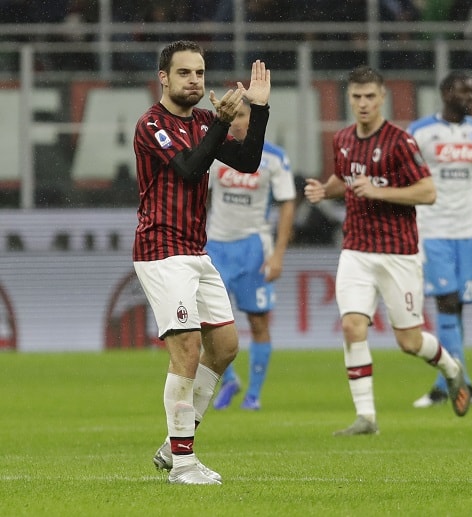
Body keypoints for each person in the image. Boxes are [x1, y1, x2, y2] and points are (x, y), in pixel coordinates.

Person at [304, 65, 472, 436]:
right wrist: (324, 190)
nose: (362, 104)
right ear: (350, 99)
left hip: (399, 254)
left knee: (409, 342)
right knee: (352, 326)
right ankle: (366, 417)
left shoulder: (400, 141)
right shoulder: (343, 138)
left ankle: (451, 369)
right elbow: (344, 180)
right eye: (356, 97)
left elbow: (427, 192)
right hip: (357, 251)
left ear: (382, 98)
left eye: (369, 97)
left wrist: (379, 191)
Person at [132, 40, 270, 485]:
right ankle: (184, 464)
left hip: (194, 250)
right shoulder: (152, 123)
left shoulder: (207, 122)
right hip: (161, 250)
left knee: (226, 347)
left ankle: (176, 441)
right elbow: (190, 168)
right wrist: (223, 124)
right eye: (185, 73)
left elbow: (247, 162)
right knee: (187, 349)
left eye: (199, 73)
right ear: (164, 79)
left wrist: (259, 110)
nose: (194, 80)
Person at [406, 71, 472, 409]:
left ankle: (441, 383)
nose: (471, 98)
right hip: (432, 230)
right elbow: (410, 182)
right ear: (446, 92)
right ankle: (464, 384)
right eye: (464, 92)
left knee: (458, 307)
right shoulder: (419, 133)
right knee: (446, 302)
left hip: (466, 232)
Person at [207, 102, 296, 412]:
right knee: (207, 320)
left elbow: (287, 203)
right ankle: (229, 378)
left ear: (253, 119)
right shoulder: (214, 151)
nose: (235, 122)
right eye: (231, 116)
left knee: (258, 321)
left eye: (241, 116)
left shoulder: (273, 158)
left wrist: (279, 255)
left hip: (253, 248)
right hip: (215, 246)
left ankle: (254, 395)